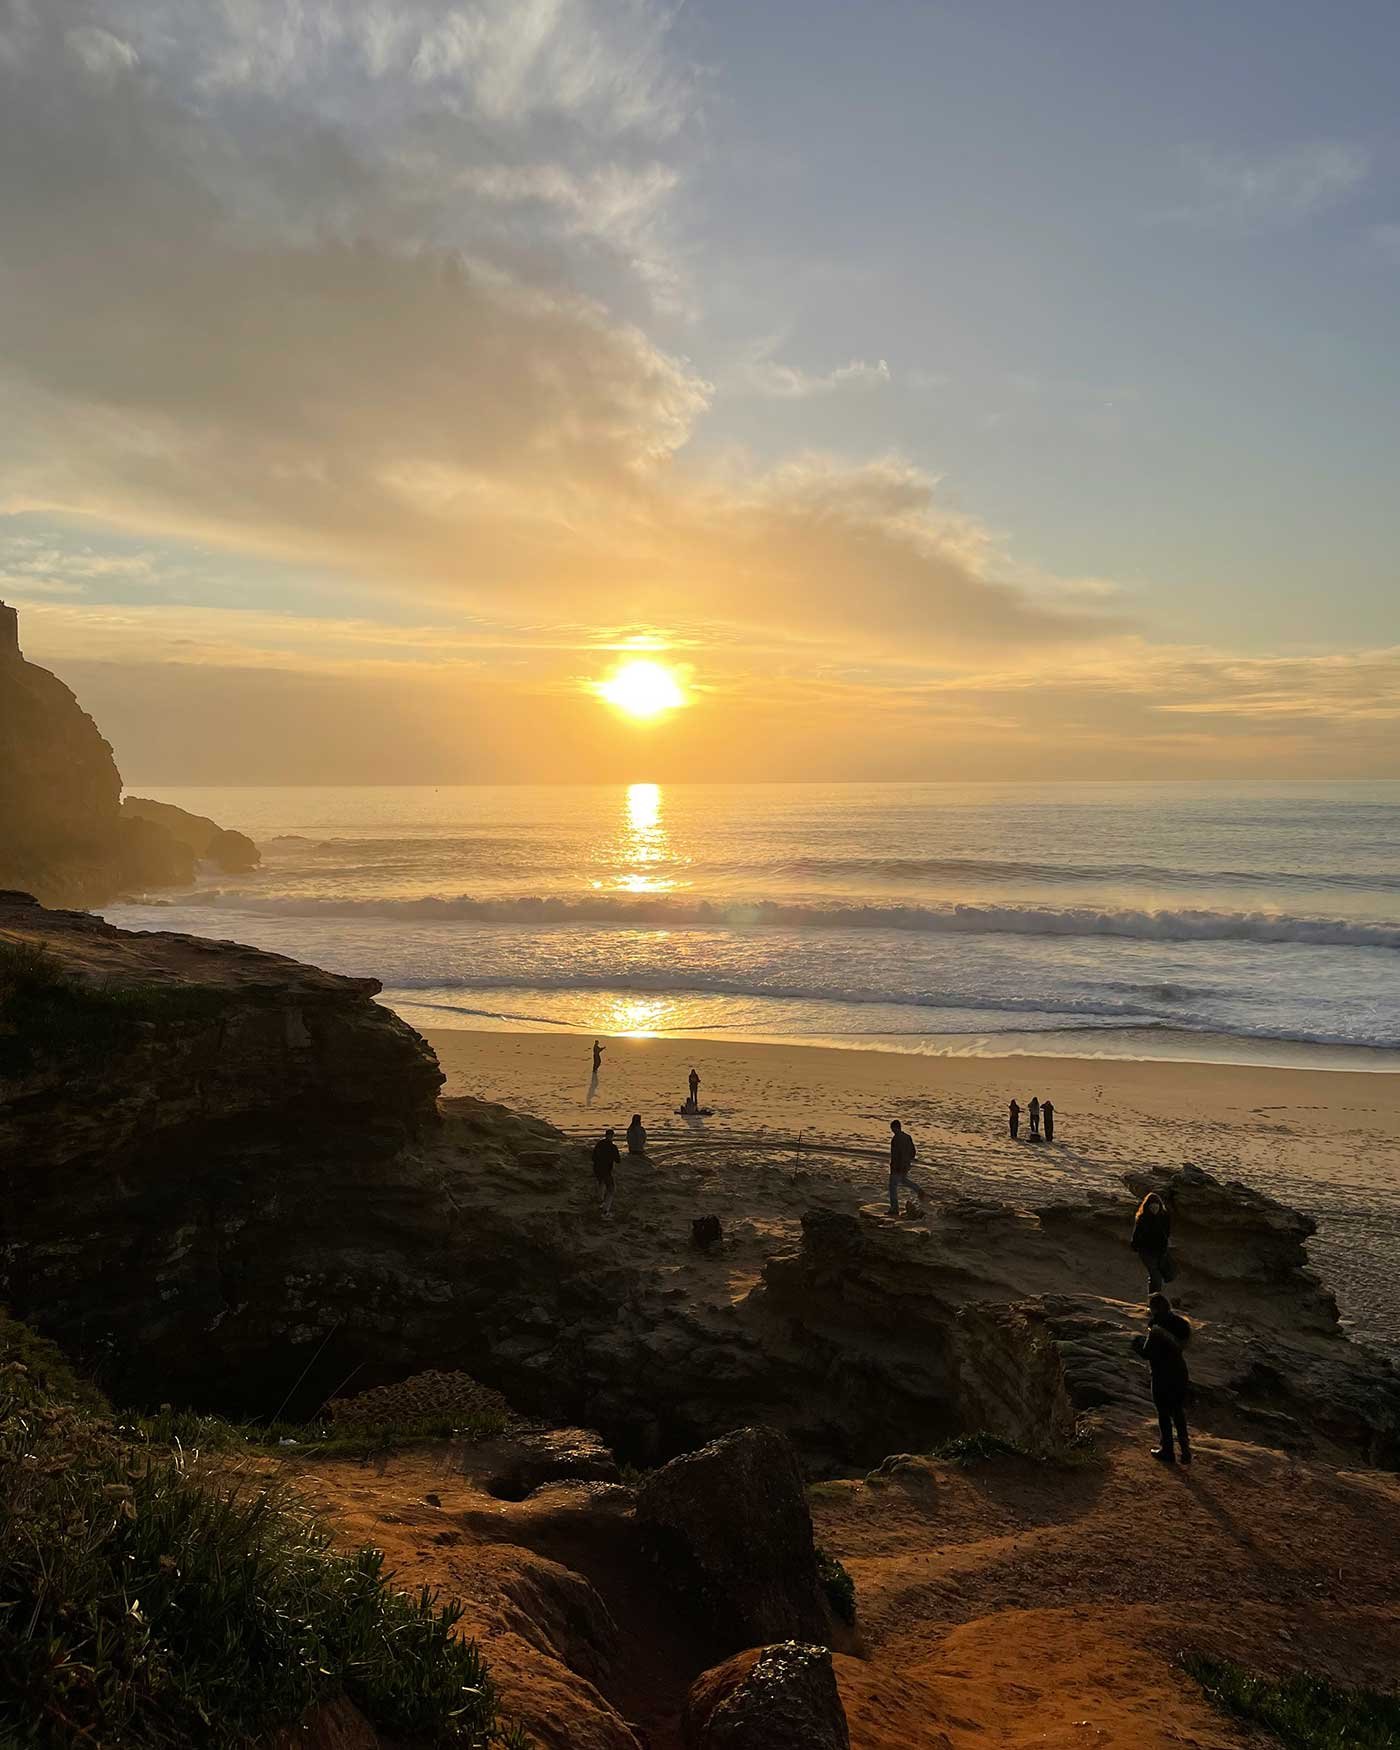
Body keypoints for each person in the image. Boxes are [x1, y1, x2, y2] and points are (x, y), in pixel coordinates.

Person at [1132, 1308, 1192, 1465]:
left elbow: (1147, 1353)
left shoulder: (1157, 1332)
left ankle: (1167, 1450)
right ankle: (1185, 1449)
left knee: (1163, 1413)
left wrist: (1137, 1344)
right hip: (1180, 1374)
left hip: (1162, 1376)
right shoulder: (1179, 1334)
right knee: (1178, 1410)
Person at [1131, 1191, 1173, 1293]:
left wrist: (1165, 1247)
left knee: (1157, 1276)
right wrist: (1136, 1246)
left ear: (1159, 1206)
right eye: (1152, 1207)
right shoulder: (1142, 1218)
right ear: (1147, 1207)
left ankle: (1153, 1299)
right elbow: (1136, 1234)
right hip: (1146, 1251)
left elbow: (1167, 1234)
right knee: (1155, 1275)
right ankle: (1155, 1299)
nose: (1154, 1209)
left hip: (1160, 1251)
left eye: (1156, 1207)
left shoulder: (1164, 1218)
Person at [887, 1119, 926, 1217]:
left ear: (895, 1128)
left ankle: (894, 1208)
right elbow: (913, 1151)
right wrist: (908, 1161)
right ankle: (919, 1190)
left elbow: (895, 1155)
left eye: (892, 1129)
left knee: (892, 1186)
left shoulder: (896, 1139)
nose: (892, 1131)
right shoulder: (908, 1137)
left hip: (897, 1166)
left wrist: (894, 1166)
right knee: (903, 1180)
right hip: (905, 1165)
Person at [592, 1127, 620, 1218]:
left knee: (601, 1183)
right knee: (611, 1189)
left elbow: (593, 1157)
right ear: (612, 1136)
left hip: (597, 1169)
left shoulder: (599, 1144)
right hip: (606, 1170)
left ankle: (600, 1202)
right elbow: (618, 1160)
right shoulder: (612, 1147)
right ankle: (606, 1210)